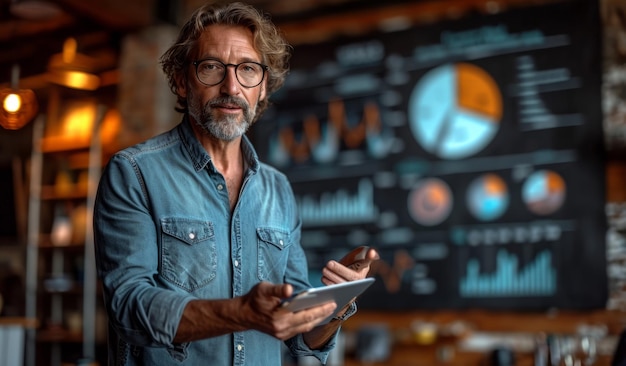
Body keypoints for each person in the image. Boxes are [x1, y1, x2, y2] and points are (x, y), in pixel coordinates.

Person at [93, 2, 379, 365]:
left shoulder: (278, 189)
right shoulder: (133, 173)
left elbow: (303, 339)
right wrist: (241, 312)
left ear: (262, 89)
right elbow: (128, 307)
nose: (231, 86)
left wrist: (336, 304)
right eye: (212, 67)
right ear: (182, 81)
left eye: (247, 70)